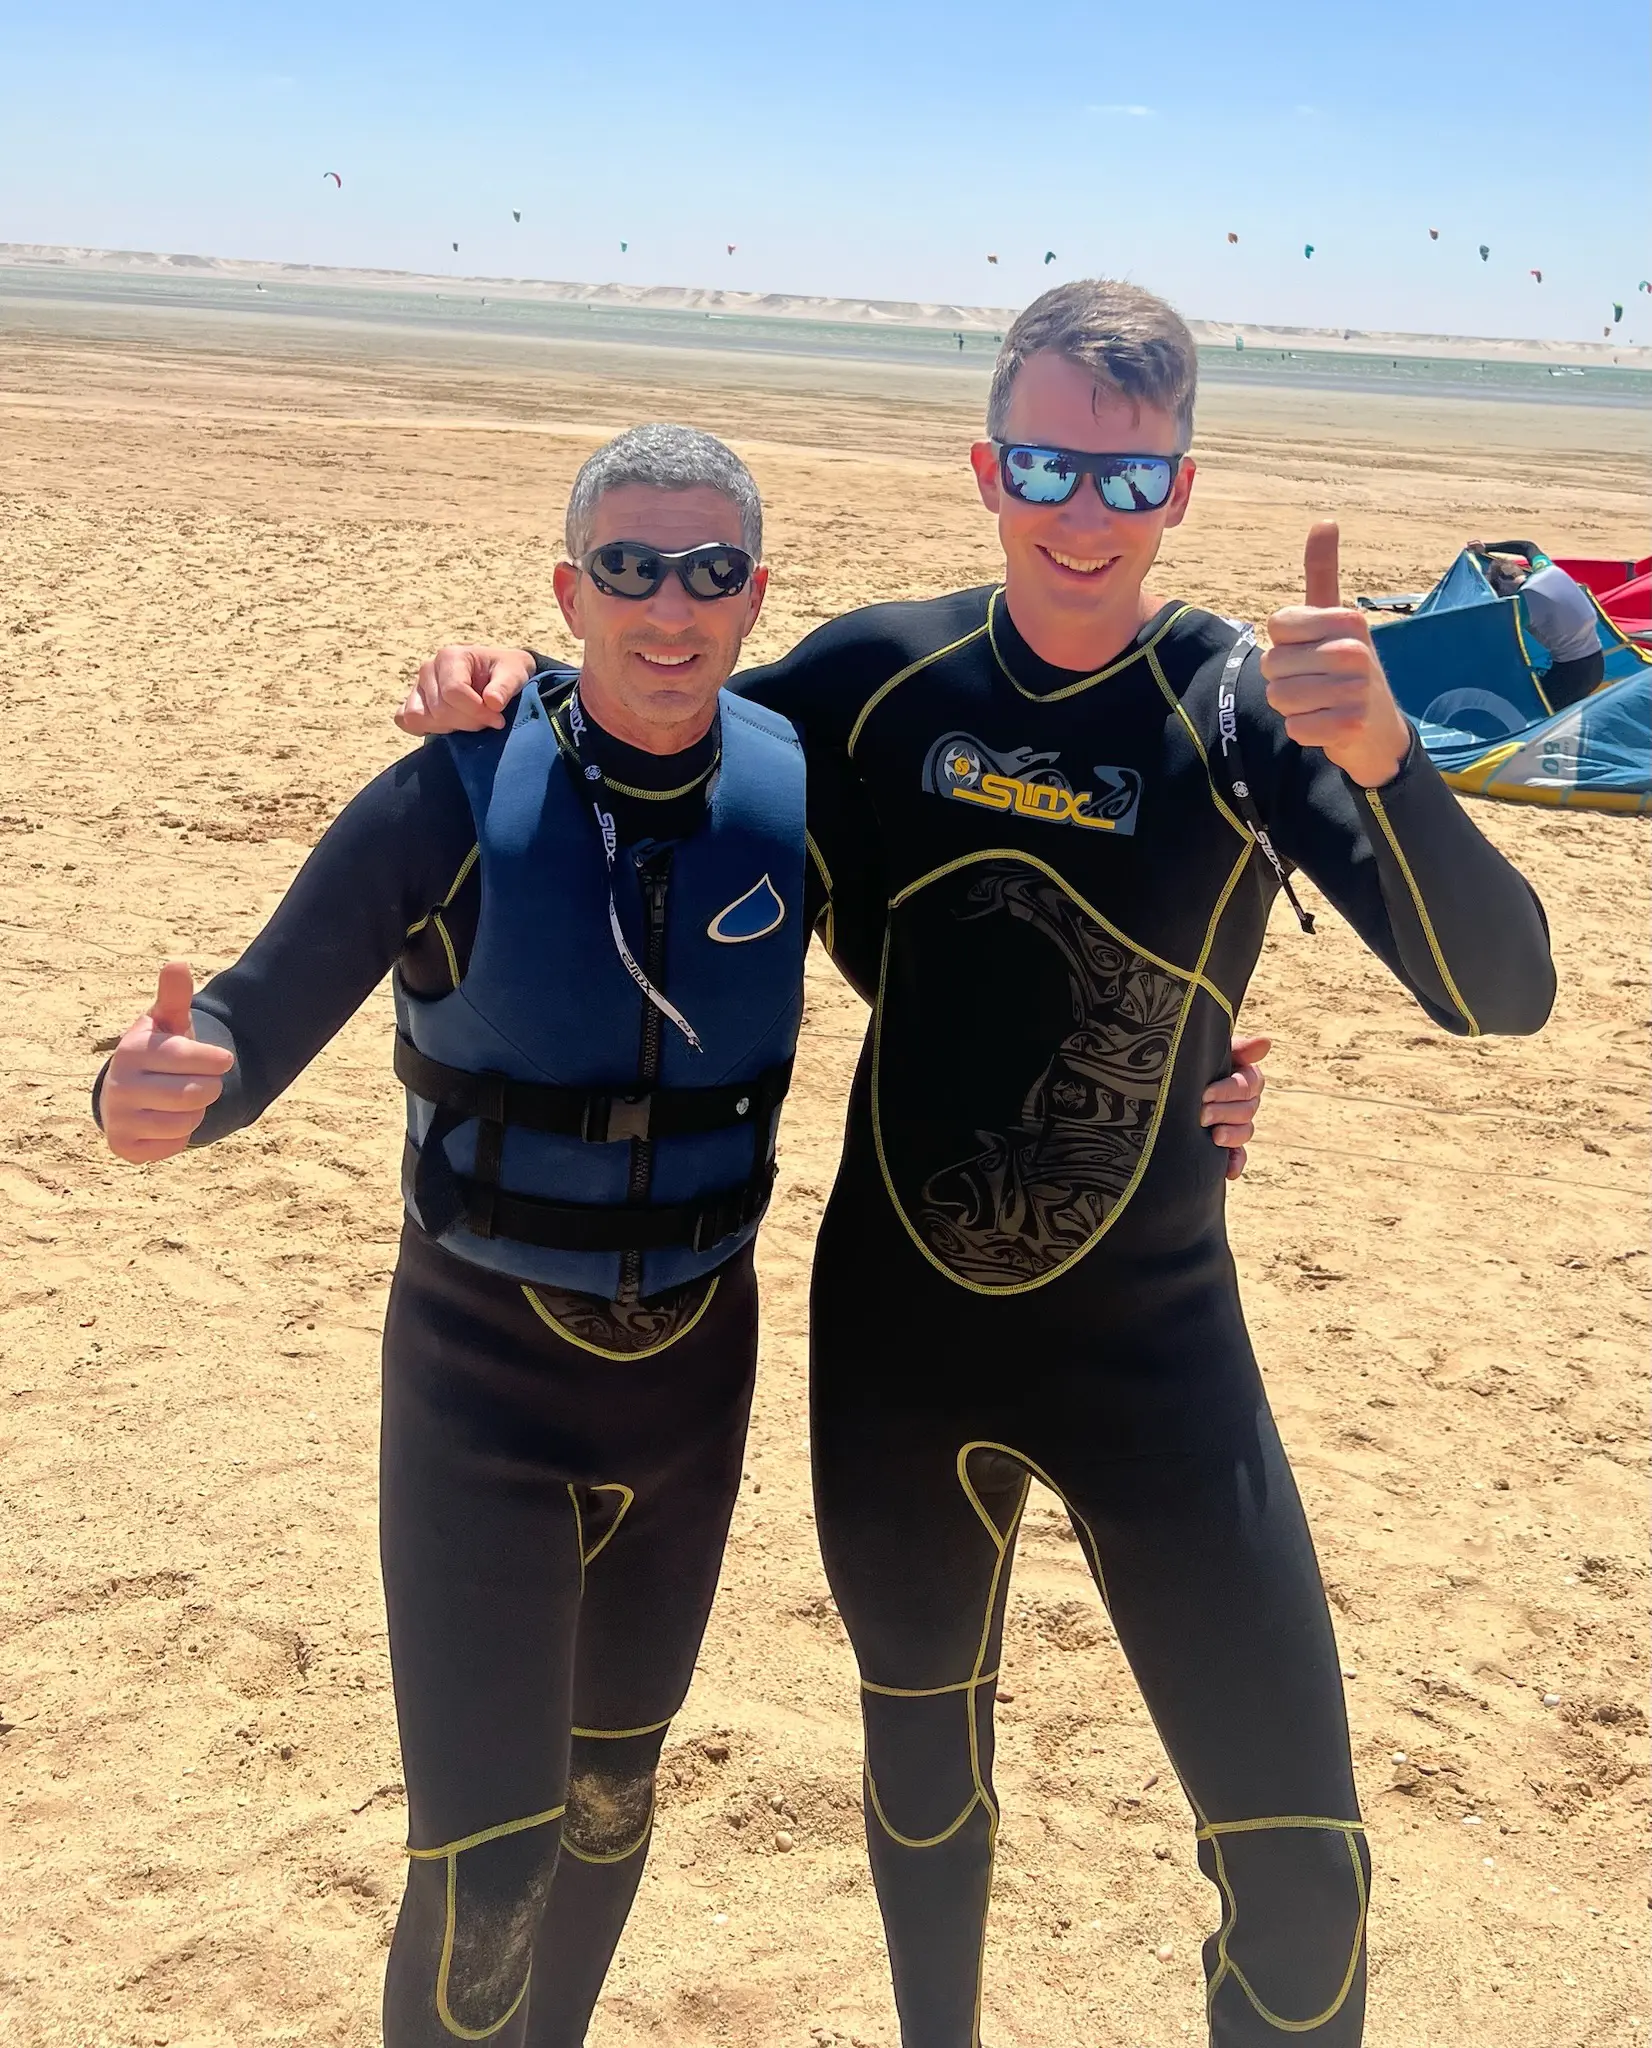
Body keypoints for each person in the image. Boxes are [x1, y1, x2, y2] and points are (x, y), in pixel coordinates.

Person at [403, 279, 1557, 2048]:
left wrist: (1386, 755)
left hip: (1162, 1355)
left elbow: (1501, 992)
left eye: (1125, 476)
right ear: (985, 467)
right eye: (1045, 465)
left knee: (1307, 1880)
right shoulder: (874, 686)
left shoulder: (1249, 708)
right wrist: (508, 680)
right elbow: (645, 742)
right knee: (925, 1793)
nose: (1080, 514)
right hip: (897, 1354)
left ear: (1180, 487)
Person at [92, 421, 1265, 2048]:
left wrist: (1180, 1084)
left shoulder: (788, 786)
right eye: (630, 569)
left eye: (708, 572)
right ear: (570, 588)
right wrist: (164, 1082)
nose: (669, 607)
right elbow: (244, 1010)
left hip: (687, 1390)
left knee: (608, 1798)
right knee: (484, 1856)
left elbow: (972, 983)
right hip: (478, 1380)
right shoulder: (452, 785)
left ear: (753, 592)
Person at [1470, 539, 1606, 708]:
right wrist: (1487, 547)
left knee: (1529, 710)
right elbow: (1527, 546)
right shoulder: (1548, 569)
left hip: (1572, 674)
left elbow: (1496, 640)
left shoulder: (1523, 601)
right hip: (1598, 665)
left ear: (1502, 585)